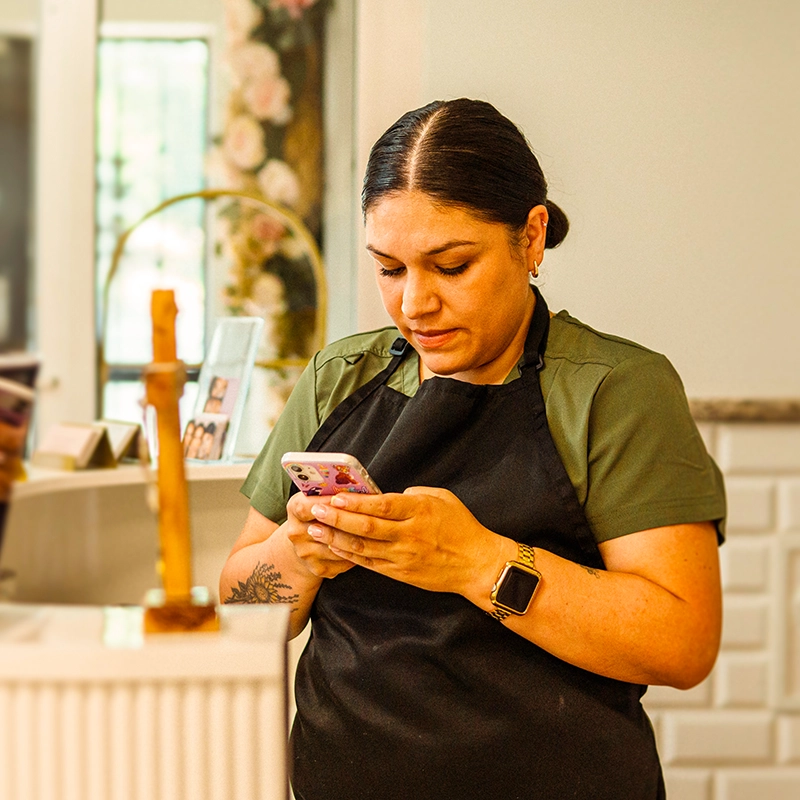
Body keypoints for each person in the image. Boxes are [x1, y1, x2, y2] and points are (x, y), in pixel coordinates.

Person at [220, 98, 726, 799]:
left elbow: (681, 642)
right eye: (390, 269)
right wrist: (297, 554)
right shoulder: (340, 377)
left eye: (451, 266)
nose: (414, 304)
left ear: (532, 236)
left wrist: (477, 562)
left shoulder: (616, 390)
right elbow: (239, 613)